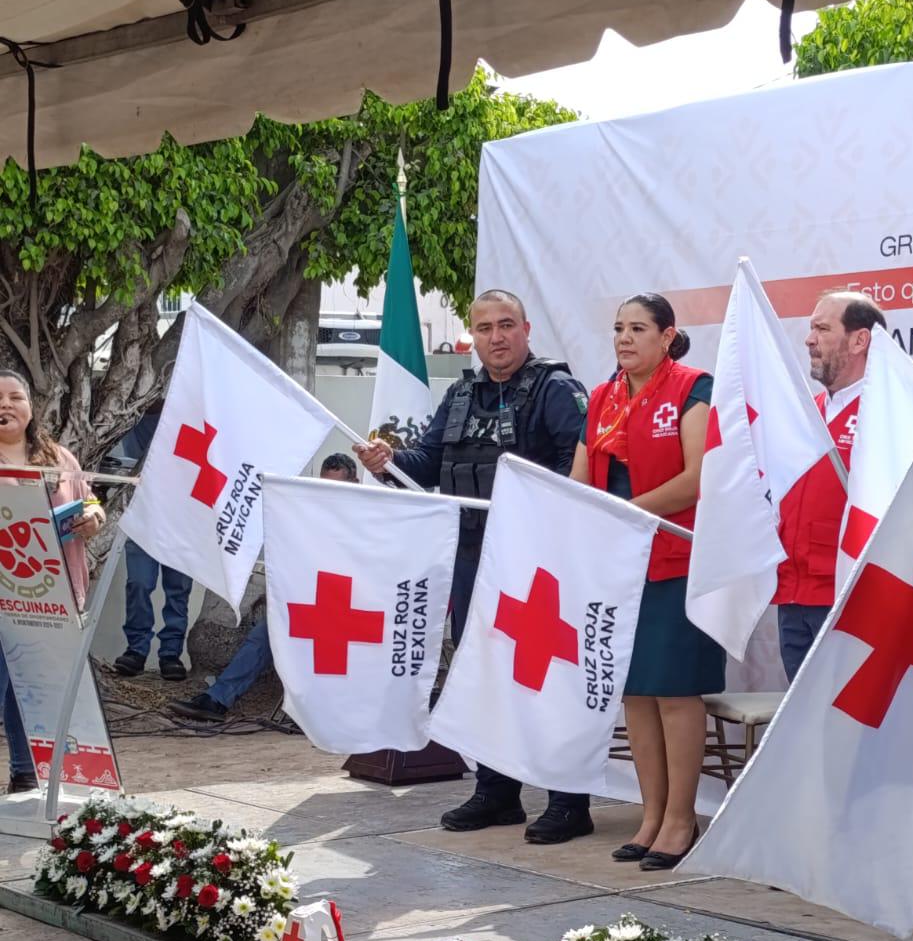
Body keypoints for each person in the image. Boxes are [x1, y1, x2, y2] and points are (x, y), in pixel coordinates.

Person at [355, 290, 590, 837]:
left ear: (527, 329)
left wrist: (530, 513)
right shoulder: (461, 394)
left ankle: (568, 801)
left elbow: (573, 465)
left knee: (546, 675)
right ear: (473, 336)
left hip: (536, 563)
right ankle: (496, 792)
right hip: (471, 557)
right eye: (484, 328)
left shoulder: (556, 389)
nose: (496, 337)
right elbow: (429, 461)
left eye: (506, 325)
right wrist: (387, 462)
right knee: (482, 674)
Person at [571, 293, 723, 870]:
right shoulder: (603, 397)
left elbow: (696, 479)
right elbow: (582, 478)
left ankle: (683, 820)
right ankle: (652, 815)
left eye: (638, 328)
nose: (624, 338)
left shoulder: (693, 387)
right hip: (622, 562)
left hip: (678, 560)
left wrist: (630, 514)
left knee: (675, 689)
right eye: (617, 328)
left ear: (667, 336)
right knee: (636, 691)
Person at [169, 454, 360, 723]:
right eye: (324, 485)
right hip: (309, 601)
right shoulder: (312, 514)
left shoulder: (366, 517)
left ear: (355, 482)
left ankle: (318, 714)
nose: (329, 493)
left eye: (337, 486)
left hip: (349, 606)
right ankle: (217, 700)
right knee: (262, 637)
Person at [0, 370, 104, 791]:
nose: (5, 405)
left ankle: (25, 775)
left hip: (48, 596)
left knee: (31, 687)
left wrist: (94, 517)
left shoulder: (59, 458)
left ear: (31, 407)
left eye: (15, 397)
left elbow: (89, 496)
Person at [773, 292, 883, 680]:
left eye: (822, 328)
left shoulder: (886, 410)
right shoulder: (808, 412)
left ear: (859, 340)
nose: (808, 339)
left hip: (849, 602)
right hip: (793, 595)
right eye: (810, 328)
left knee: (850, 732)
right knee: (804, 731)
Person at [111, 405, 193, 681]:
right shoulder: (130, 415)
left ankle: (171, 653)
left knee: (178, 589)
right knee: (139, 583)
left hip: (183, 518)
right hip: (143, 515)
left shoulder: (188, 414)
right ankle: (136, 649)